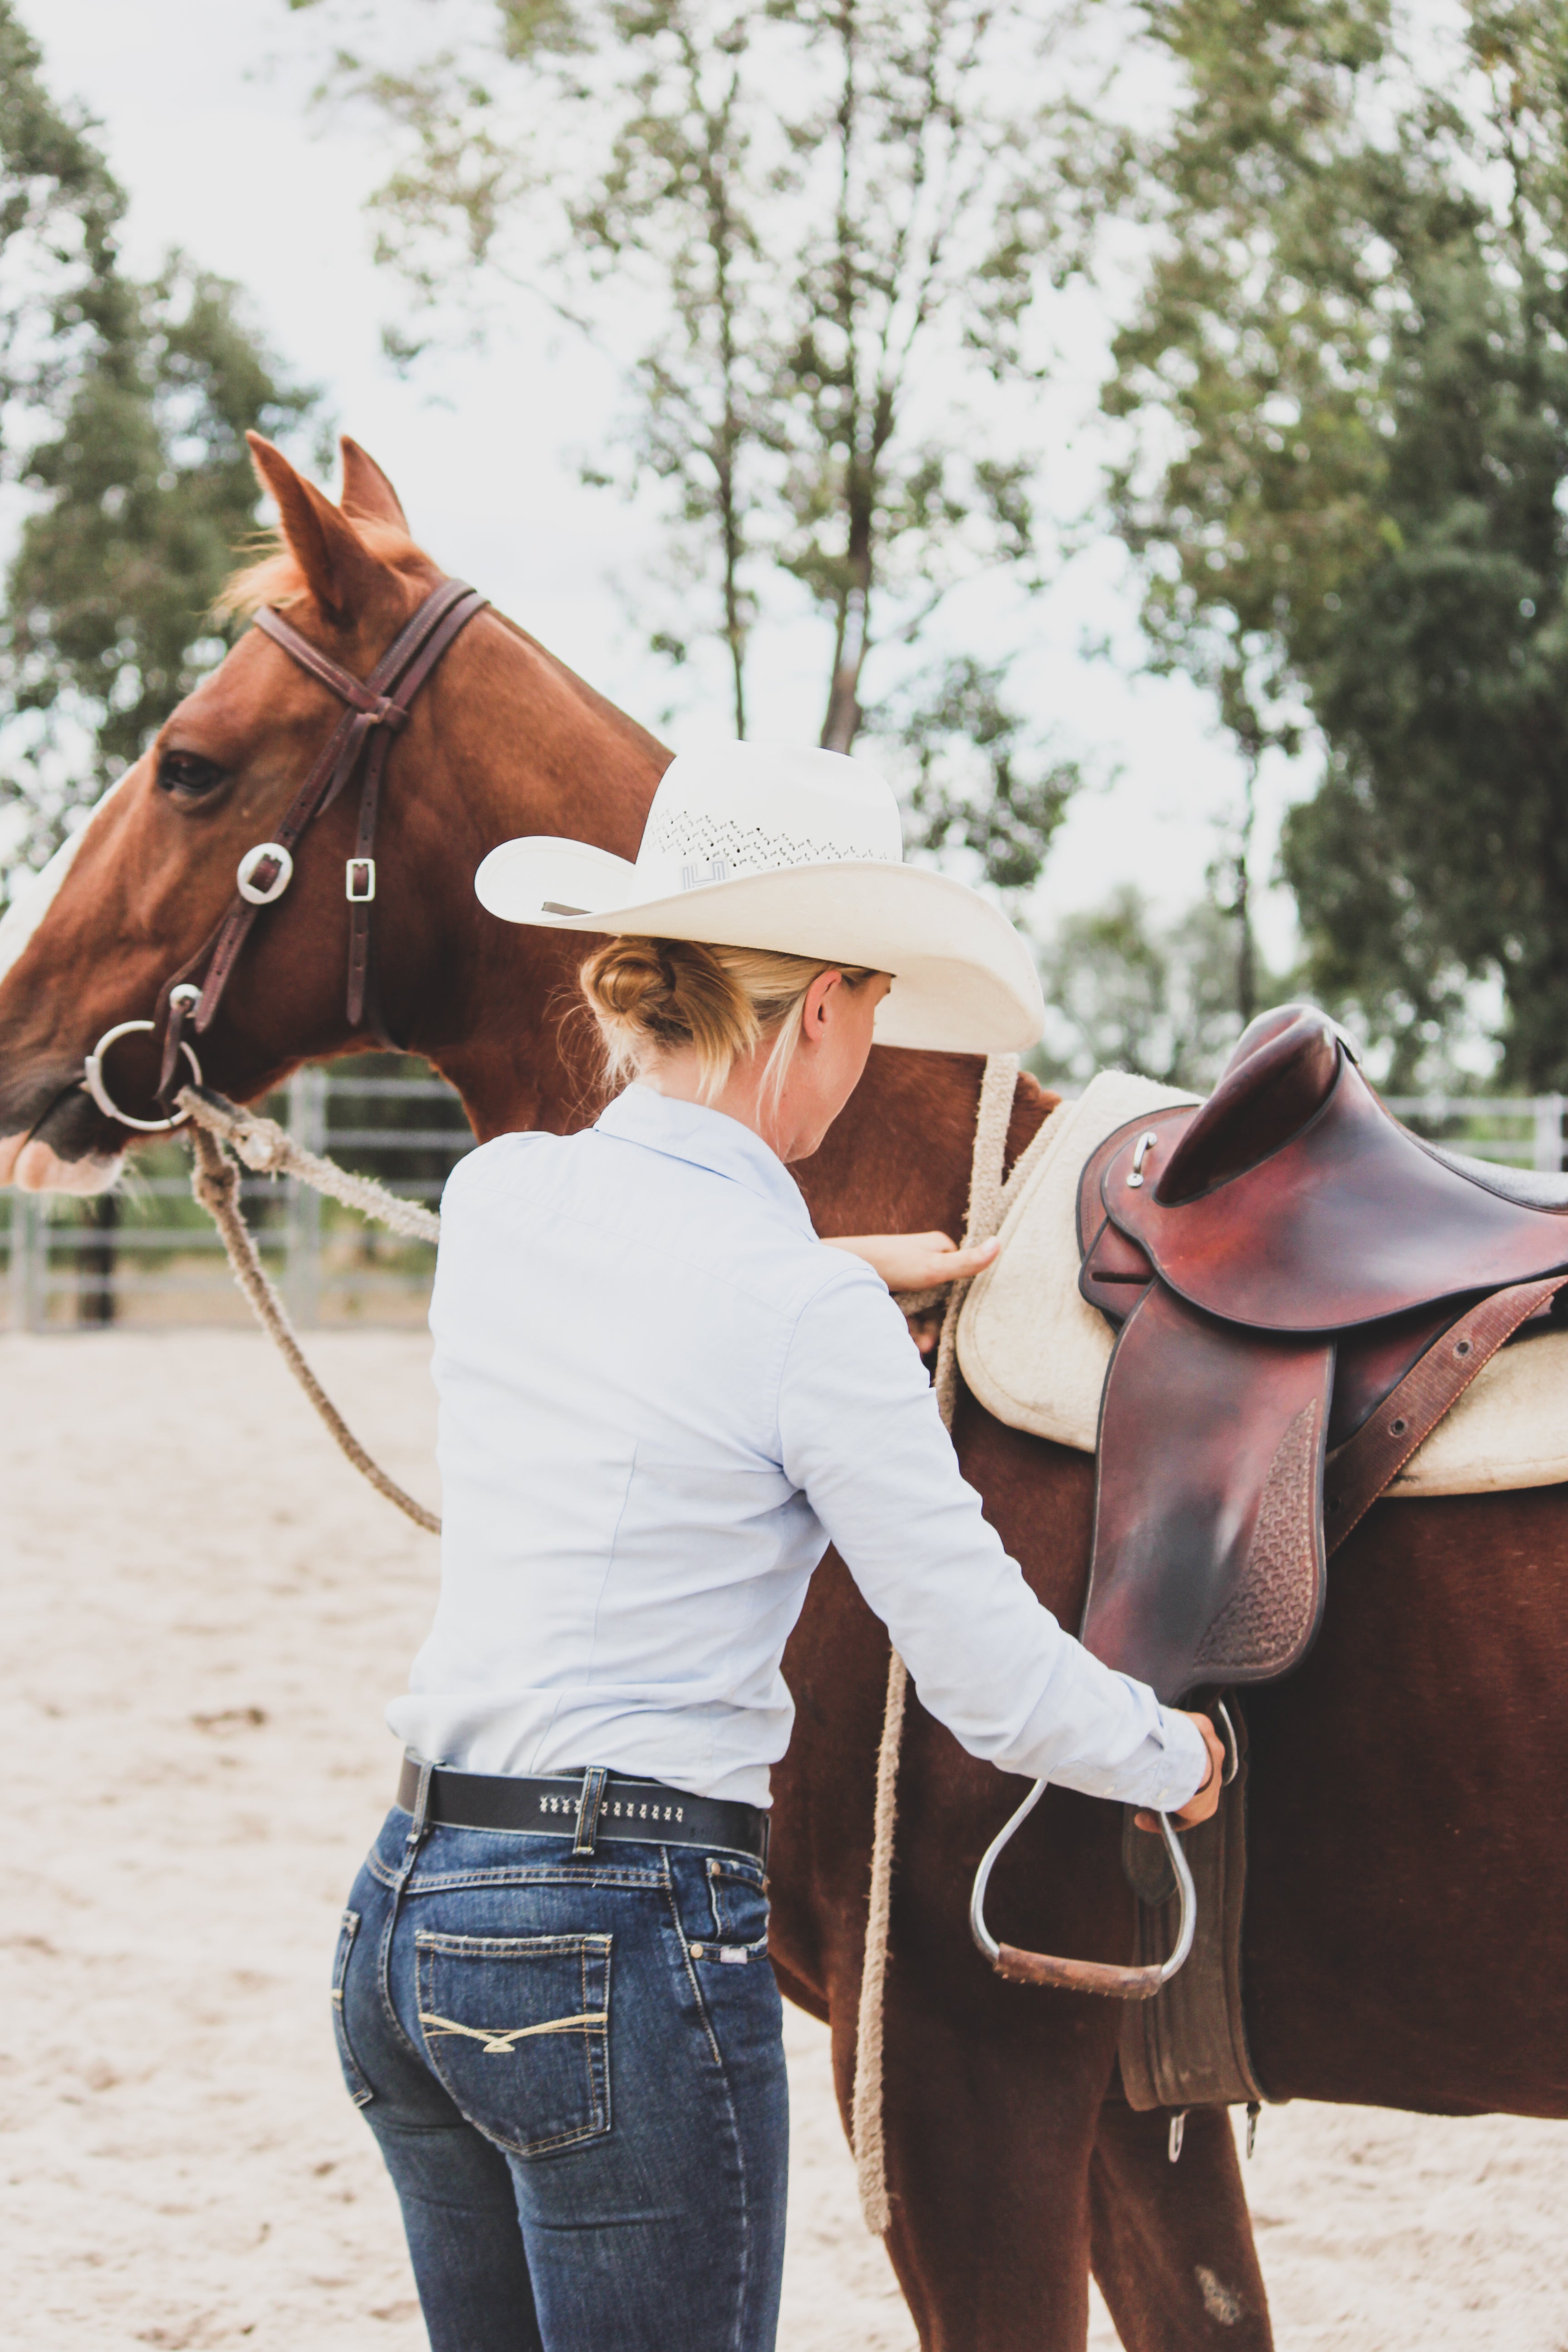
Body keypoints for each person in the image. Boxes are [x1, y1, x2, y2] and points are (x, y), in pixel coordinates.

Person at [333, 742, 1223, 2352]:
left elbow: (665, 1281)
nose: (867, 1055)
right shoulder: (802, 1315)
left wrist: (834, 1268)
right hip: (618, 1929)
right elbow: (996, 1683)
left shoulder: (501, 1202)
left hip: (408, 1914)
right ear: (818, 1008)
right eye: (870, 1016)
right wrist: (1183, 1759)